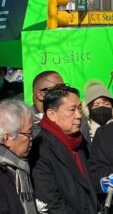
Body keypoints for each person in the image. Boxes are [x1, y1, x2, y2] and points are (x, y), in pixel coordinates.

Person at [29, 84, 97, 214]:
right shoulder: (41, 147)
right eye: (72, 110)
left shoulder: (79, 141)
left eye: (79, 109)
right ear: (52, 115)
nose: (78, 115)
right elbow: (50, 201)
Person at [0, 99, 38, 214]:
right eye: (28, 133)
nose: (32, 138)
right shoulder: (4, 174)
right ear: (7, 139)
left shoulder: (20, 167)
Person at [32, 70, 64, 136]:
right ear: (41, 95)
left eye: (64, 88)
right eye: (58, 89)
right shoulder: (25, 124)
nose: (64, 93)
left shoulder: (73, 118)